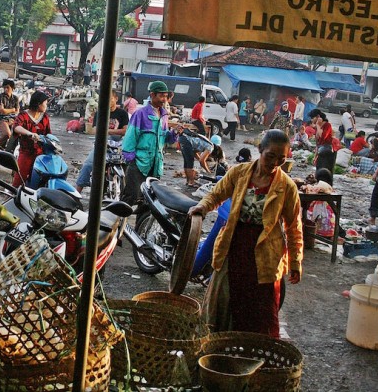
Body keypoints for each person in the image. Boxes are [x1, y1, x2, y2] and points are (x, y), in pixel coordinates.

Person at [188, 130, 303, 338]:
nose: (275, 163)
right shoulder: (239, 173)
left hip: (266, 252)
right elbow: (216, 195)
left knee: (261, 311)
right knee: (223, 301)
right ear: (260, 150)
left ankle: (256, 354)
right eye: (270, 156)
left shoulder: (287, 186)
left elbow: (294, 227)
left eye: (282, 159)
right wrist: (202, 208)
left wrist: (295, 261)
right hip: (234, 245)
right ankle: (218, 347)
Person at [120, 81, 178, 205]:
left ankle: (141, 225)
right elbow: (130, 137)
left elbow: (165, 138)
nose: (164, 99)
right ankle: (117, 223)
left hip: (156, 165)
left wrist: (174, 134)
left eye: (166, 96)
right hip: (139, 164)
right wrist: (132, 160)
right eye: (161, 96)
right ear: (152, 95)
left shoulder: (164, 116)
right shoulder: (140, 114)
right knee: (130, 198)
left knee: (149, 202)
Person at [76, 90, 129, 193]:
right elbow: (95, 130)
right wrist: (114, 132)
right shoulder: (100, 112)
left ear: (116, 99)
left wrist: (107, 130)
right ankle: (76, 193)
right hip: (102, 145)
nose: (107, 101)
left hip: (118, 147)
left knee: (128, 167)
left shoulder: (122, 113)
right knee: (87, 165)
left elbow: (125, 131)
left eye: (110, 98)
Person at [12, 91, 51, 187]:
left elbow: (49, 134)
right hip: (26, 153)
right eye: (45, 103)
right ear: (38, 104)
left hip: (41, 154)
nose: (46, 105)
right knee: (19, 179)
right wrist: (30, 133)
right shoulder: (23, 115)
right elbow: (16, 127)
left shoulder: (45, 117)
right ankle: (12, 196)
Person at [309, 109, 337, 186]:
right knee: (319, 171)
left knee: (326, 172)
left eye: (312, 118)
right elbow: (318, 143)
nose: (311, 120)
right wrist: (315, 156)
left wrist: (318, 125)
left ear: (318, 116)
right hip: (320, 150)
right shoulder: (317, 127)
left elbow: (323, 137)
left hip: (327, 151)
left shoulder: (327, 125)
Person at [0, 79, 19, 149]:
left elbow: (17, 111)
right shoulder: (0, 96)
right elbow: (1, 110)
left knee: (20, 135)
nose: (6, 89)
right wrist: (12, 110)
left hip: (12, 119)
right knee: (7, 135)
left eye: (8, 87)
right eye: (4, 87)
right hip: (2, 119)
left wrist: (7, 110)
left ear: (12, 88)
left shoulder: (15, 98)